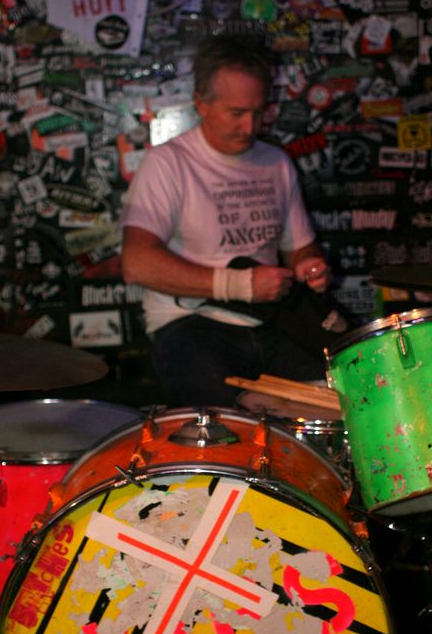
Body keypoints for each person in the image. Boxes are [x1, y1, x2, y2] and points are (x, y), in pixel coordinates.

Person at [120, 35, 343, 407]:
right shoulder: (168, 163)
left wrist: (309, 264)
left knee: (336, 401)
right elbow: (136, 263)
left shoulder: (275, 162)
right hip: (193, 322)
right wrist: (240, 285)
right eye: (236, 113)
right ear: (201, 104)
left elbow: (298, 247)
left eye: (258, 112)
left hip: (273, 321)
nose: (250, 125)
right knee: (227, 425)